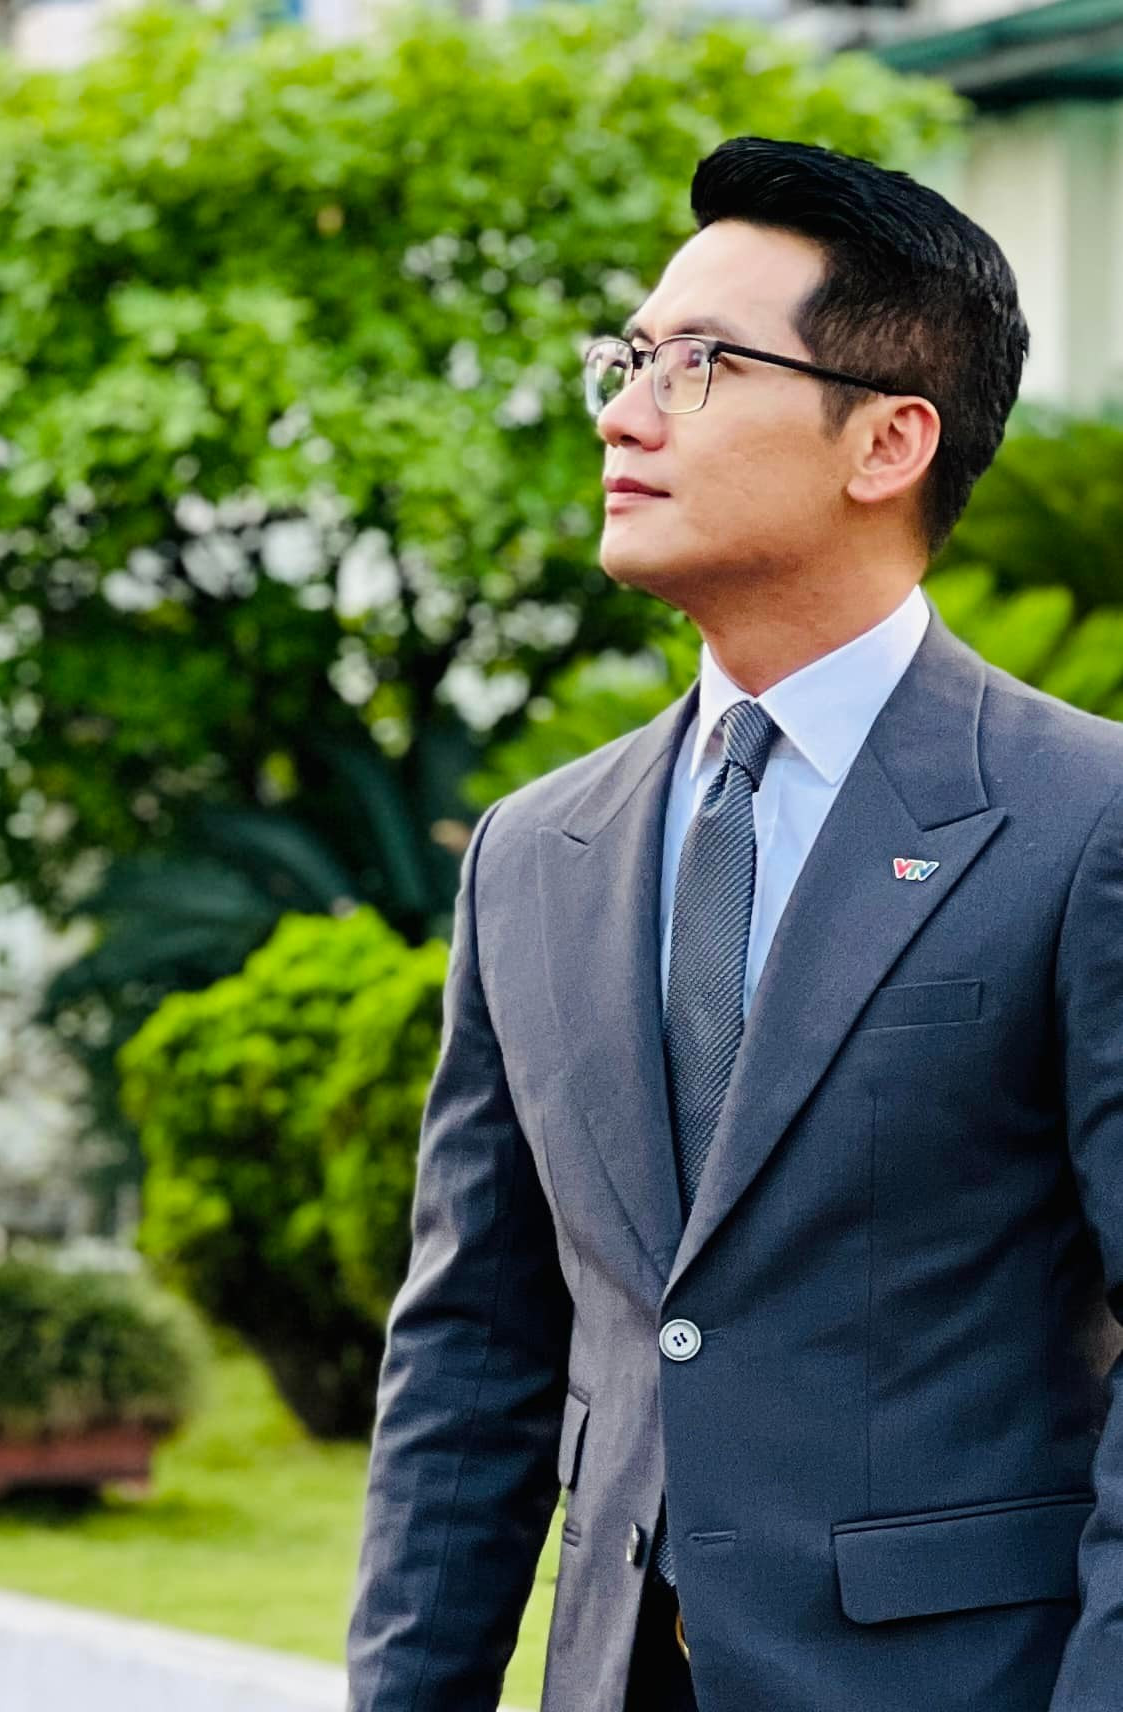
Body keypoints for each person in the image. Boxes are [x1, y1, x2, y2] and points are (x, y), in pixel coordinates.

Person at [345, 135, 1123, 1712]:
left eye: (701, 363)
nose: (626, 413)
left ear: (888, 440)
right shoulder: (536, 853)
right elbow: (474, 1355)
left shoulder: (1082, 819)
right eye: (628, 359)